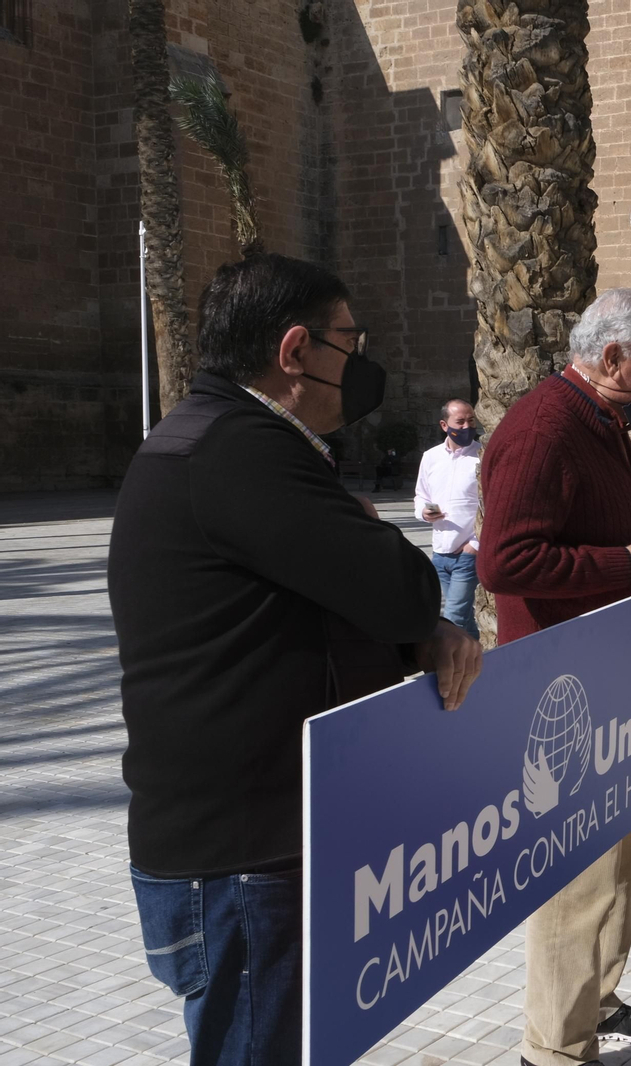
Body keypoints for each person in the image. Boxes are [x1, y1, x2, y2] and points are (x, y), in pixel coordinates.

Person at [107, 254, 482, 1066]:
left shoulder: (217, 439)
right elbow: (402, 590)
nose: (361, 361)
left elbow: (339, 603)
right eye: (349, 341)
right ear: (295, 351)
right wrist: (377, 546)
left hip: (248, 848)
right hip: (244, 864)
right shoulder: (240, 450)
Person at [477, 287, 631, 1066]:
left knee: (614, 868)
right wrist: (629, 564)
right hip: (561, 695)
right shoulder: (545, 427)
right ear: (612, 357)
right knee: (575, 888)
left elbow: (616, 545)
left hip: (611, 681)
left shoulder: (604, 422)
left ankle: (599, 1005)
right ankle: (553, 1050)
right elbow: (504, 562)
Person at [415, 399, 483, 637]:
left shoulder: (482, 455)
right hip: (440, 554)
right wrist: (424, 512)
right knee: (463, 619)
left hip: (468, 553)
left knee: (452, 616)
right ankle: (483, 665)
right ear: (445, 425)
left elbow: (492, 504)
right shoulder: (431, 457)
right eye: (460, 421)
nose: (466, 426)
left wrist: (474, 545)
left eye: (471, 420)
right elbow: (421, 495)